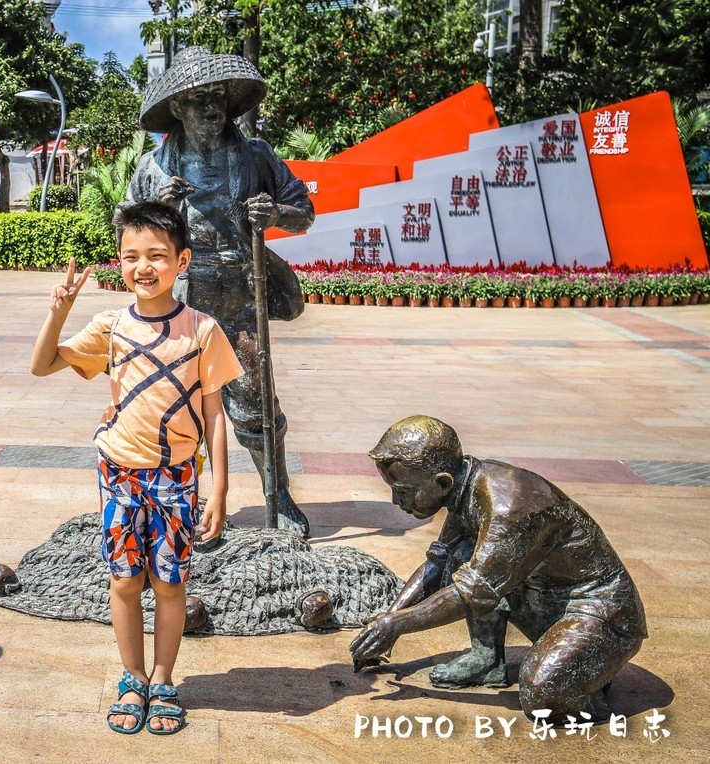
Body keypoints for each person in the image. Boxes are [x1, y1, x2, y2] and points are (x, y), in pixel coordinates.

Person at [30, 201, 244, 734]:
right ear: (120, 264)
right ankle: (132, 678)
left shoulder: (202, 331)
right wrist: (59, 308)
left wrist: (217, 489)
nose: (143, 267)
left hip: (177, 478)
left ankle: (164, 679)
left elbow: (215, 416)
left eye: (157, 255)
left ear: (183, 260)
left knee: (171, 583)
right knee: (125, 580)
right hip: (119, 475)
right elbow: (42, 365)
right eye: (131, 257)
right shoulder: (111, 326)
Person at [126, 46, 315, 536]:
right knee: (177, 407)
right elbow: (125, 227)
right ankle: (184, 502)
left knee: (256, 408)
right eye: (197, 99)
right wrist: (154, 208)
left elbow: (304, 211)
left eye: (218, 97)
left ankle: (279, 495)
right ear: (176, 109)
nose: (211, 107)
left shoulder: (256, 156)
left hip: (239, 295)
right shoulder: (154, 165)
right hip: (179, 303)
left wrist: (275, 215)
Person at [350, 415, 647, 719]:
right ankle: (487, 659)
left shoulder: (508, 505)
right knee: (462, 552)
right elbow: (438, 564)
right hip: (543, 603)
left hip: (601, 613)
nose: (396, 500)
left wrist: (395, 626)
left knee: (542, 698)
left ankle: (587, 672)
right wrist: (388, 620)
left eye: (404, 490)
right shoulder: (464, 487)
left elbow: (469, 594)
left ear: (442, 482)